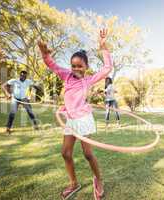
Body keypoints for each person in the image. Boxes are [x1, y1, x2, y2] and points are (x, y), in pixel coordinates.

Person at [38, 29, 111, 200]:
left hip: (84, 119)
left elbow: (107, 68)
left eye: (79, 65)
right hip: (70, 120)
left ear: (86, 67)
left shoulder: (89, 80)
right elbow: (51, 64)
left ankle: (98, 180)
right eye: (73, 65)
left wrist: (103, 47)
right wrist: (44, 53)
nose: (76, 68)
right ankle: (74, 183)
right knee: (65, 153)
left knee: (87, 153)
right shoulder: (66, 76)